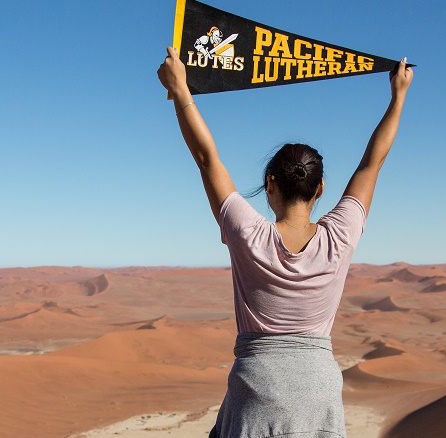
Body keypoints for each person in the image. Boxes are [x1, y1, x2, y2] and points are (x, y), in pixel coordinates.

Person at [157, 46, 413, 438]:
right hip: (319, 389)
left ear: (270, 185)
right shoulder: (339, 236)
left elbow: (208, 159)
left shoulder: (249, 234)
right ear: (321, 189)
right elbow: (370, 163)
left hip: (256, 386)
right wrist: (397, 99)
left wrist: (182, 91)